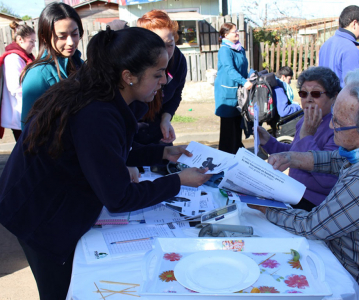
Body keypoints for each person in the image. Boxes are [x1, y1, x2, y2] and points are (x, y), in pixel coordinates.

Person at [0, 27, 210, 300]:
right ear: (129, 76)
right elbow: (119, 197)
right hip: (39, 214)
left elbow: (108, 153)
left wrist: (161, 154)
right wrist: (178, 181)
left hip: (47, 203)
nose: (164, 82)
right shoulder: (96, 113)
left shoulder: (106, 96)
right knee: (60, 291)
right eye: (158, 74)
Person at [252, 67, 359, 299]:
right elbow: (334, 159)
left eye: (339, 124)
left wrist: (264, 208)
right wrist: (291, 157)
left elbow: (311, 226)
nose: (332, 126)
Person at [258, 67, 340, 211]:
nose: (308, 99)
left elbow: (327, 179)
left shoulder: (337, 128)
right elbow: (294, 152)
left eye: (316, 93)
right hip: (292, 192)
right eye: (303, 93)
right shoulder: (304, 120)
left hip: (315, 203)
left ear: (334, 97)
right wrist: (269, 142)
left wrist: (307, 135)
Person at [20, 2, 84, 129]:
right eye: (62, 36)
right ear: (45, 37)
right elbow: (29, 129)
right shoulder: (37, 75)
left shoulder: (80, 65)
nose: (70, 42)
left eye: (74, 34)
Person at [134, 10, 187, 147]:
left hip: (158, 131)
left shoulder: (178, 61)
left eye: (169, 45)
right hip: (130, 133)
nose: (164, 52)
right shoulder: (131, 64)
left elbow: (176, 94)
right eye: (157, 45)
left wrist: (166, 119)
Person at [214, 22, 252, 154]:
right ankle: (226, 157)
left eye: (237, 31)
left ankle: (237, 152)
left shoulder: (239, 49)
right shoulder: (225, 50)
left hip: (239, 92)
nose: (237, 33)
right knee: (228, 129)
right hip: (227, 92)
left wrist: (249, 78)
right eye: (233, 32)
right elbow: (230, 70)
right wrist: (244, 81)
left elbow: (243, 69)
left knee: (238, 125)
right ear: (225, 35)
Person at [0, 21, 35, 141]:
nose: (33, 45)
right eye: (31, 41)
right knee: (26, 150)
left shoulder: (20, 57)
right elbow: (15, 87)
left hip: (24, 113)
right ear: (20, 39)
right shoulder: (13, 58)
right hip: (19, 114)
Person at [319, 5, 359, 87]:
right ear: (354, 23)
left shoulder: (325, 45)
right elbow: (353, 88)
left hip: (325, 98)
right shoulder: (351, 50)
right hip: (342, 99)